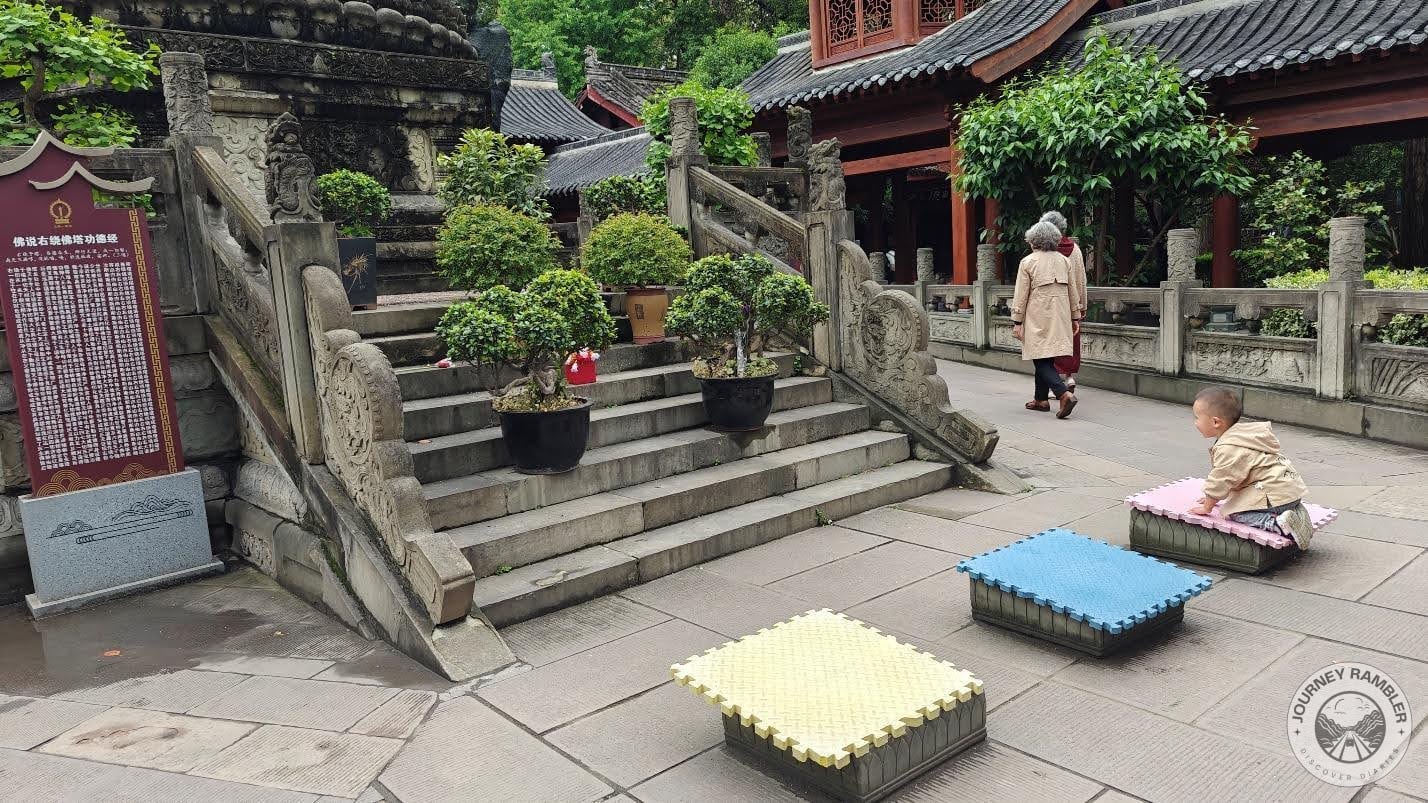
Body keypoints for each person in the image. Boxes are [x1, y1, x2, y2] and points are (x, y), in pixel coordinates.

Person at [1187, 386, 1315, 548]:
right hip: (1289, 492)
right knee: (1238, 500)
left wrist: (1208, 506)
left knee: (1234, 512)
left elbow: (1221, 478)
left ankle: (1277, 524)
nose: (1195, 422)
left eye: (1197, 417)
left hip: (1275, 496)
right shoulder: (1244, 436)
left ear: (1216, 422)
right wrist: (1211, 497)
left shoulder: (1228, 448)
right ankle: (1297, 513)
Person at [1011, 221, 1080, 418]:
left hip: (1037, 317)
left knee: (1040, 359)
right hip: (1061, 317)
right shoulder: (1064, 261)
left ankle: (1063, 394)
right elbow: (1073, 291)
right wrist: (1075, 317)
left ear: (1034, 240)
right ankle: (1041, 400)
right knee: (1046, 357)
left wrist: (1017, 322)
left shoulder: (1027, 262)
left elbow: (1021, 295)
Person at [1040, 211, 1087, 390]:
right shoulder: (1075, 249)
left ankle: (1056, 383)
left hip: (1050, 303)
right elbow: (1081, 279)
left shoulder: (1044, 250)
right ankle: (1069, 377)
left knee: (1051, 342)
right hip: (1071, 304)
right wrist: (1082, 305)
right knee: (1070, 339)